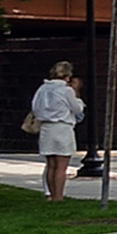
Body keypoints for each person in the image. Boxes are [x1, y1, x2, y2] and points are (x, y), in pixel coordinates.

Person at [29, 62, 85, 201]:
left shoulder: (42, 89)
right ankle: (58, 196)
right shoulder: (66, 91)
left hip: (47, 128)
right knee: (61, 166)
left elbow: (35, 108)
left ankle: (50, 194)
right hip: (62, 127)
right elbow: (77, 109)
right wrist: (77, 95)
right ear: (67, 75)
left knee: (51, 165)